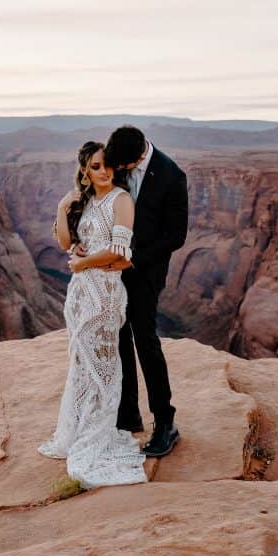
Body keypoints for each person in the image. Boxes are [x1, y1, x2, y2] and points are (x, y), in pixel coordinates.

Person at [38, 141, 147, 489]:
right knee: (81, 362)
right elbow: (66, 242)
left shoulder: (121, 200)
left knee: (104, 362)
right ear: (85, 169)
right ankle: (81, 427)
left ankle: (99, 432)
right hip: (80, 294)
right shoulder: (84, 201)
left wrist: (84, 262)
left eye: (108, 166)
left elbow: (122, 252)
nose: (104, 172)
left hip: (106, 293)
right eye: (97, 167)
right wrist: (61, 208)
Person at [96, 125, 188, 457]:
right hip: (111, 271)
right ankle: (127, 415)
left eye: (125, 167)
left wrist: (132, 260)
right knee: (118, 339)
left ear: (139, 155)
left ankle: (165, 422)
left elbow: (176, 235)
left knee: (145, 342)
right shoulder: (119, 161)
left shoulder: (171, 175)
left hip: (145, 273)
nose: (119, 172)